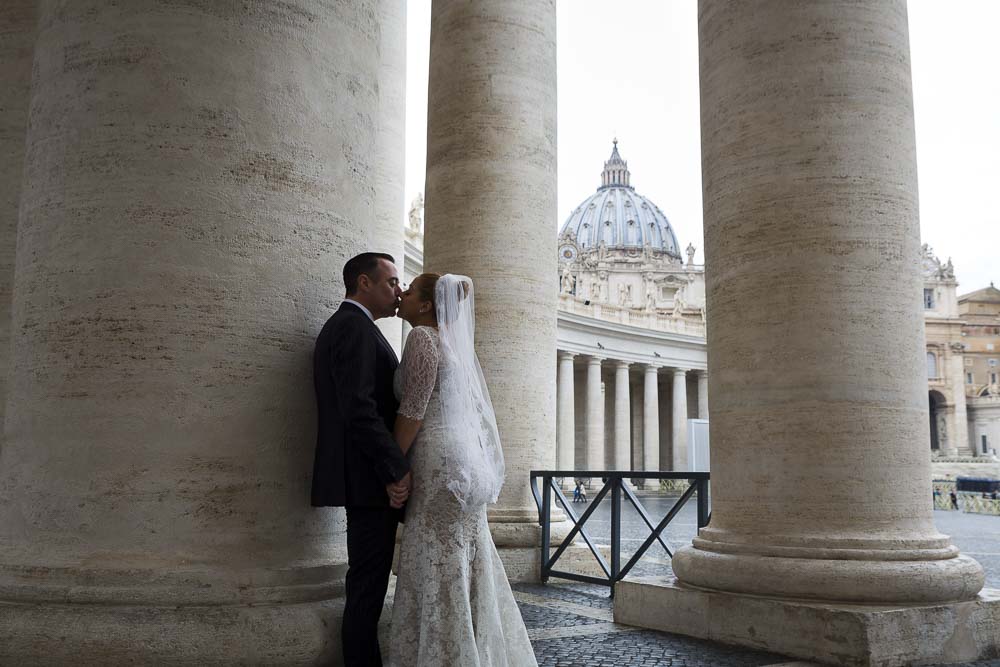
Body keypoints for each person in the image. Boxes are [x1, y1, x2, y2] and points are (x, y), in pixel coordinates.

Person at [389, 273, 537, 666]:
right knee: (460, 552)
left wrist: (391, 466)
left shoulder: (422, 337)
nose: (401, 292)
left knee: (434, 551)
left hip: (436, 459)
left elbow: (413, 410)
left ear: (425, 305)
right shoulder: (453, 345)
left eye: (410, 289)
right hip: (460, 460)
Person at [310, 252, 412, 666]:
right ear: (364, 284)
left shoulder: (356, 327)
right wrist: (396, 468)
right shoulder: (353, 328)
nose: (398, 290)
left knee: (367, 585)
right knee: (367, 588)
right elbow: (359, 409)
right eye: (391, 282)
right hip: (369, 480)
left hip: (366, 477)